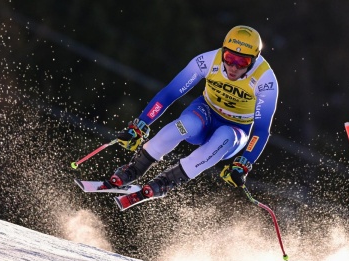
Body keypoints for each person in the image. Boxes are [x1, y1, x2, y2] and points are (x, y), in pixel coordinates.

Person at [100, 25, 278, 204]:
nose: (233, 67)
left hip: (235, 129)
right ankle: (135, 168)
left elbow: (262, 129)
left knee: (223, 136)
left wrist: (244, 163)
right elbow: (170, 93)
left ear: (254, 60)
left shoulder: (266, 80)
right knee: (188, 123)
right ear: (223, 51)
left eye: (242, 63)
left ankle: (167, 181)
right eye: (229, 58)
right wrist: (141, 124)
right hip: (206, 113)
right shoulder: (208, 61)